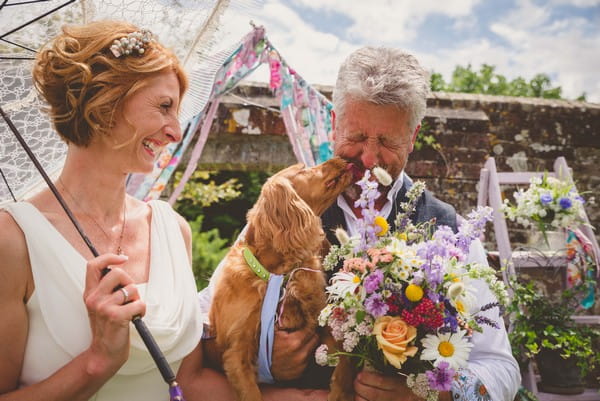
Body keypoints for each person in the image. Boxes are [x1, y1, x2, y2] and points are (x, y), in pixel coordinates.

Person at [195, 46, 521, 401]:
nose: (368, 157)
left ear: (412, 138)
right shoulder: (284, 214)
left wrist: (427, 393)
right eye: (356, 136)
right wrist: (263, 361)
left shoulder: (452, 233)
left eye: (386, 141)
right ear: (335, 124)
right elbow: (204, 328)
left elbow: (501, 368)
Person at [0, 21, 202, 400]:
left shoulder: (173, 230)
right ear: (105, 99)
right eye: (163, 107)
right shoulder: (12, 241)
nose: (175, 131)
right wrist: (95, 363)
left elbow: (191, 380)